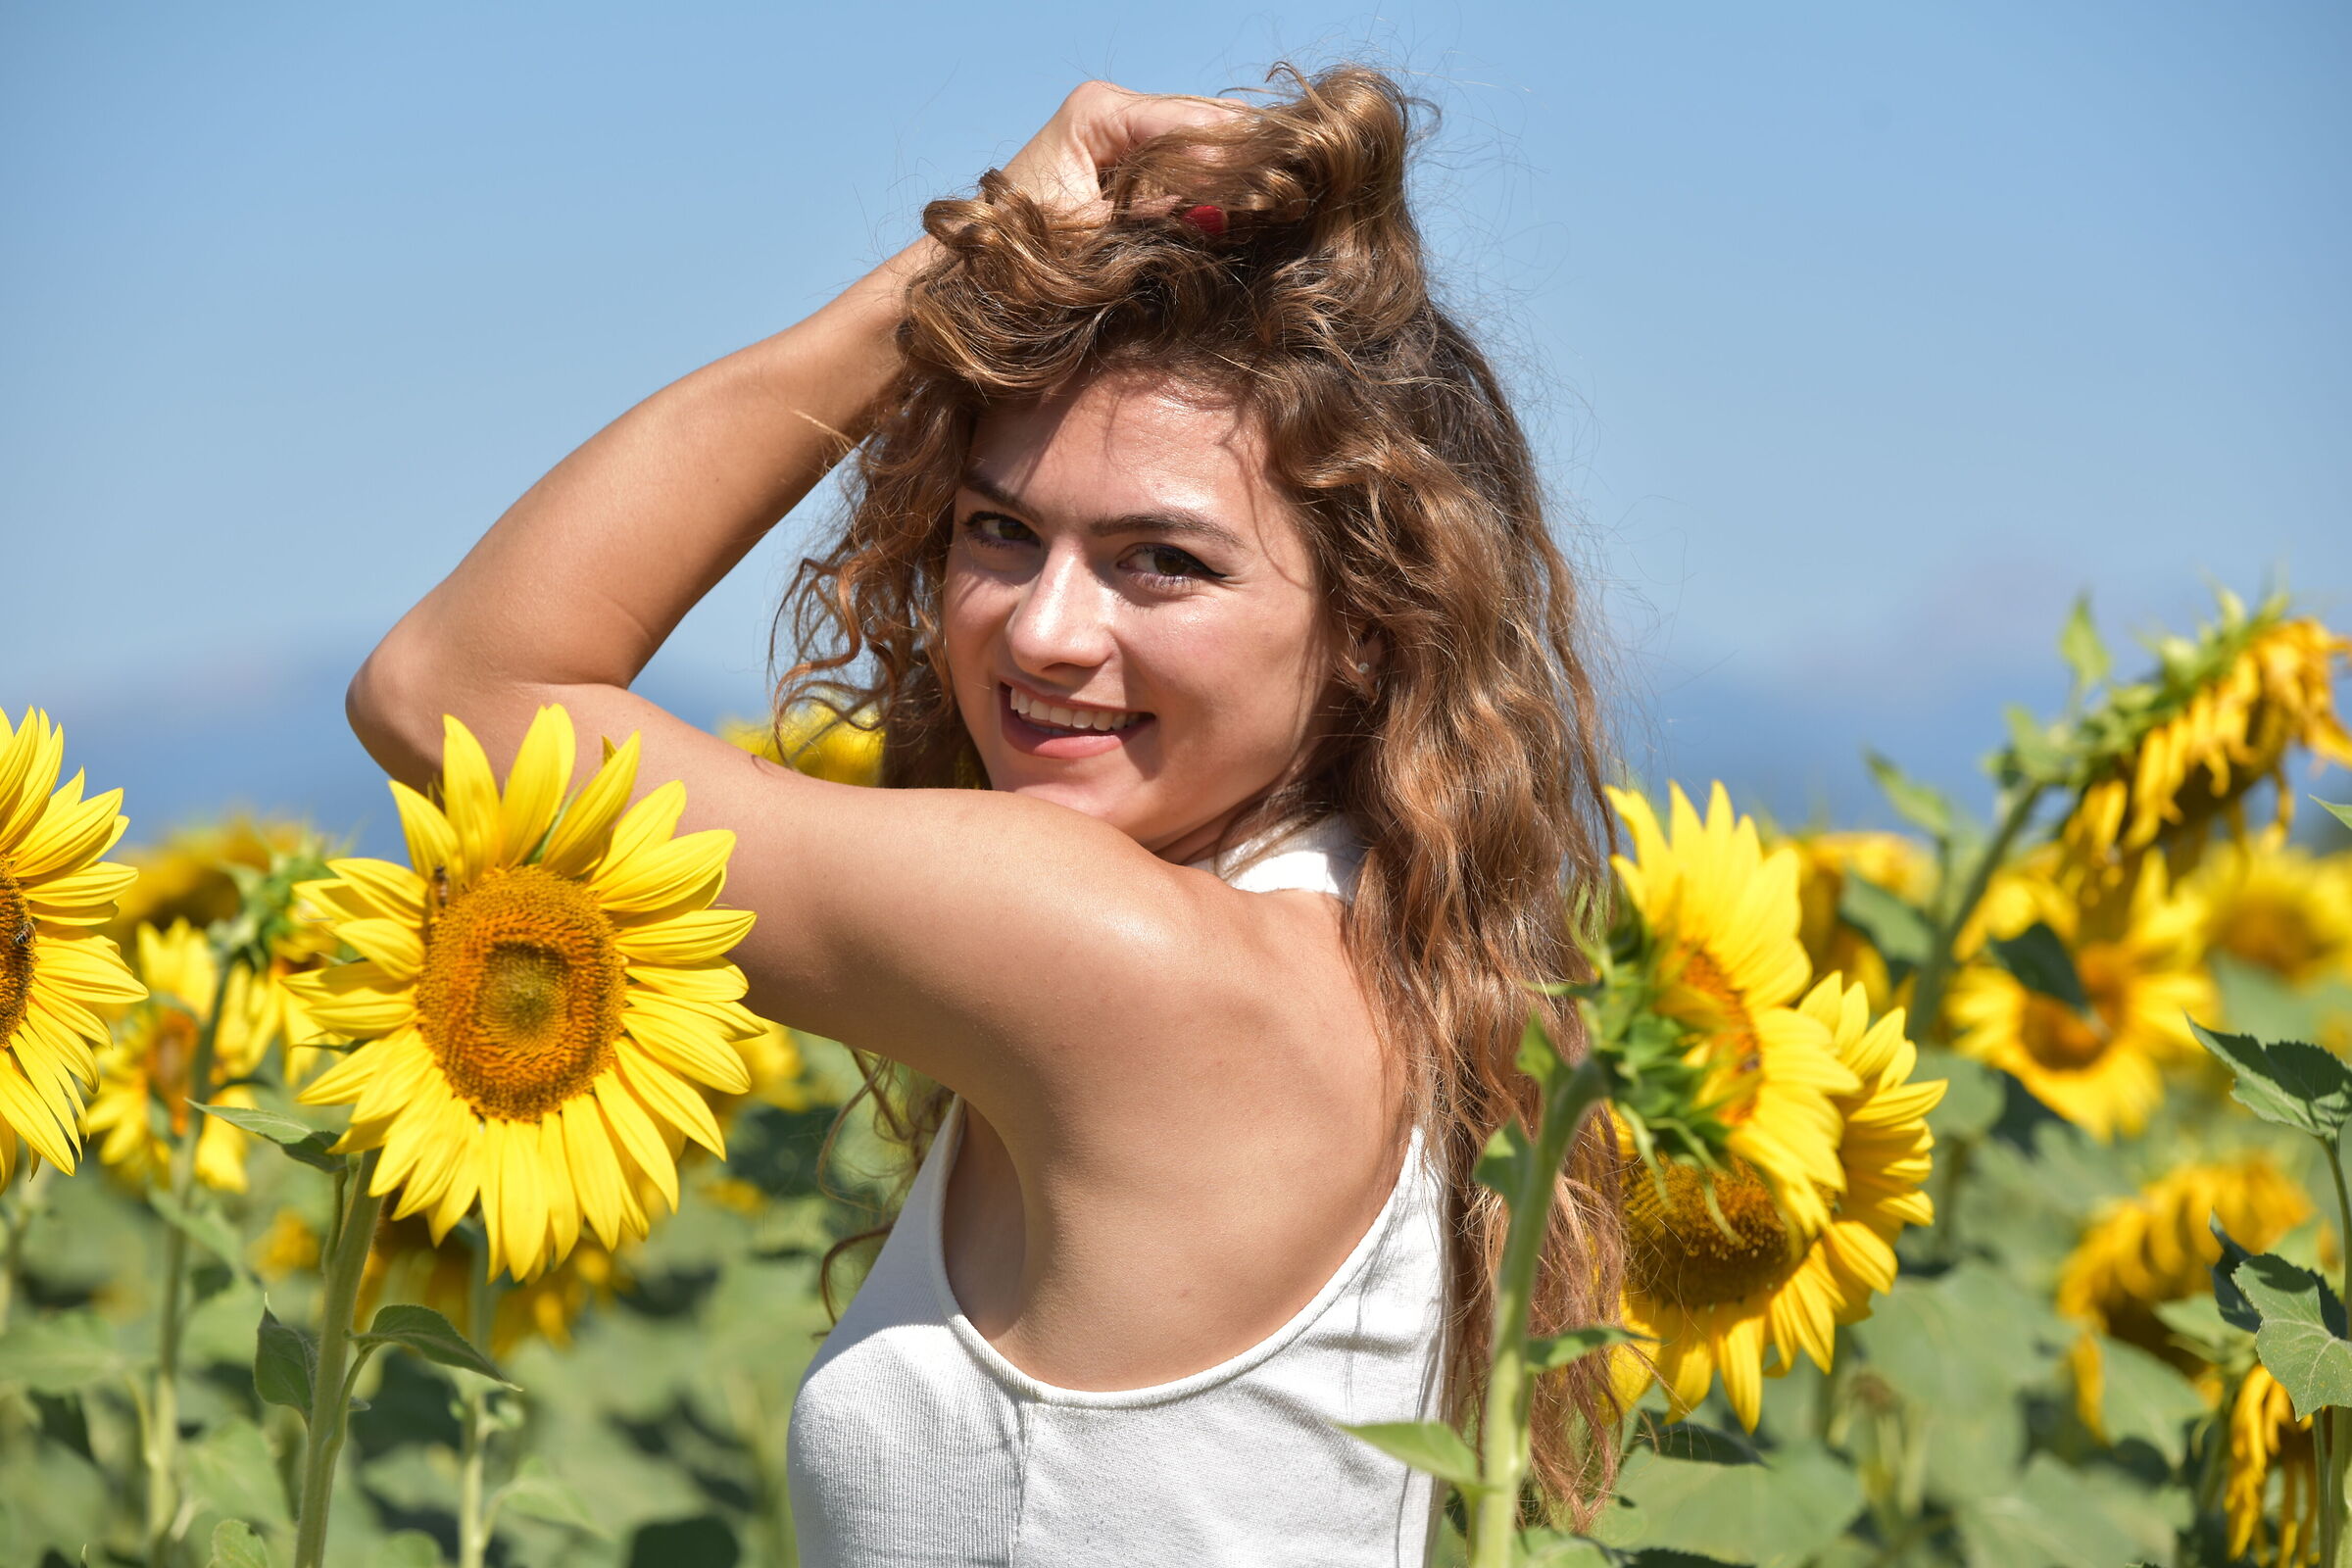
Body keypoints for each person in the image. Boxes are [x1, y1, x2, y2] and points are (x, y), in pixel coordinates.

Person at [344, 61, 1624, 1566]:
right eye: (999, 532)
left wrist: (976, 260)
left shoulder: (1113, 952)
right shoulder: (1382, 957)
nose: (1042, 633)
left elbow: (453, 688)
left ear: (1370, 622)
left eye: (1164, 562)